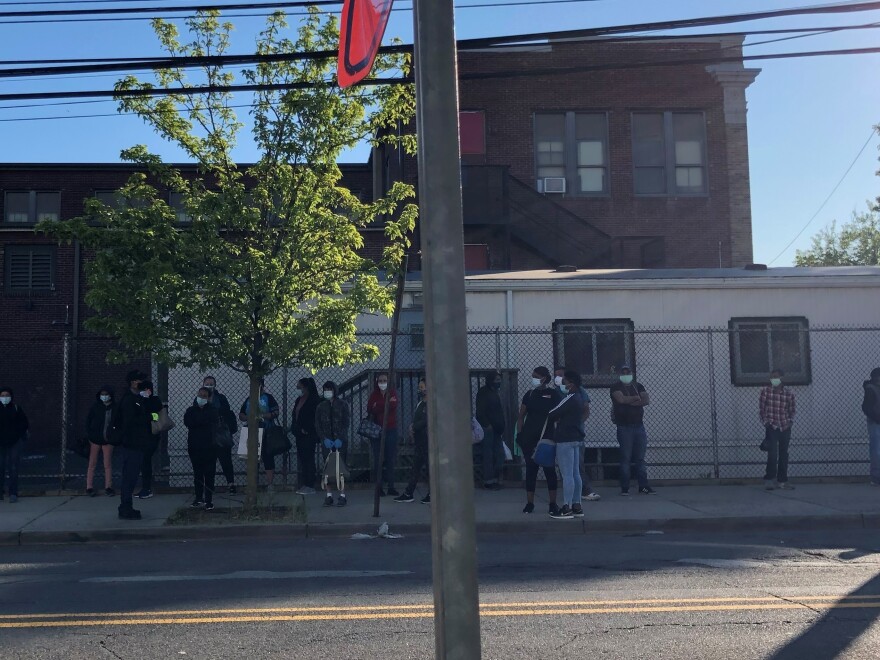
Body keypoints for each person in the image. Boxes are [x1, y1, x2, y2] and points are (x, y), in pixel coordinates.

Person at [516, 366, 561, 515]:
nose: (534, 378)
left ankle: (553, 503)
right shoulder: (529, 395)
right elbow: (521, 415)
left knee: (549, 470)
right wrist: (520, 434)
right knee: (531, 470)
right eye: (533, 376)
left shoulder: (553, 394)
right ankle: (529, 503)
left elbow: (559, 415)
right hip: (529, 438)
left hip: (547, 437)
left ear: (544, 378)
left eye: (536, 376)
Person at [116, 371, 159, 520]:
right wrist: (148, 415)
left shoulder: (136, 399)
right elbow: (132, 421)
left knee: (131, 476)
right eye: (140, 381)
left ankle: (126, 506)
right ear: (133, 382)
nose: (143, 383)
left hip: (137, 443)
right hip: (132, 444)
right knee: (129, 477)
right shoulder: (129, 400)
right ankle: (126, 507)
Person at [555, 367, 600, 502]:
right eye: (556, 376)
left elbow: (586, 409)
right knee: (566, 467)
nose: (559, 379)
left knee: (577, 464)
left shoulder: (579, 392)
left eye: (561, 376)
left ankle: (583, 492)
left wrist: (577, 422)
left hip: (576, 433)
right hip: (562, 434)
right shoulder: (556, 392)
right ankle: (571, 497)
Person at [611, 365, 655, 496]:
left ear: (632, 373)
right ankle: (625, 487)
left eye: (628, 372)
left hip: (639, 426)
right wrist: (636, 399)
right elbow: (620, 399)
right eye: (623, 372)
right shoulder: (615, 387)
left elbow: (646, 400)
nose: (626, 374)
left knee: (640, 458)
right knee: (626, 458)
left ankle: (643, 486)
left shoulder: (638, 386)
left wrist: (629, 401)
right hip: (624, 427)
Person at [548, 370, 585, 519]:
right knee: (575, 473)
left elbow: (552, 412)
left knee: (567, 474)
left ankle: (567, 507)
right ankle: (577, 505)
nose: (562, 384)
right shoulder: (579, 398)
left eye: (564, 381)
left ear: (571, 384)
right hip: (576, 438)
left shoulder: (569, 397)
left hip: (565, 439)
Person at [239, 380, 281, 492]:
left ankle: (270, 484)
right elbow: (241, 414)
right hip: (251, 431)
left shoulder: (268, 397)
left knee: (268, 457)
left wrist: (266, 415)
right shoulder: (249, 399)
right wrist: (248, 417)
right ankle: (253, 484)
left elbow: (276, 411)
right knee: (252, 458)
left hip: (266, 430)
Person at [395, 378, 430, 504]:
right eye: (419, 387)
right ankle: (409, 492)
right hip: (419, 440)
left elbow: (426, 420)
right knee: (415, 467)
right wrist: (412, 427)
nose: (420, 390)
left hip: (428, 440)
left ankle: (433, 494)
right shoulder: (420, 404)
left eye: (422, 387)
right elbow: (417, 419)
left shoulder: (431, 404)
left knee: (430, 467)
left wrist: (414, 426)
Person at [199, 376, 237, 494]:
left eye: (211, 383)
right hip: (206, 435)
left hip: (220, 434)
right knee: (209, 462)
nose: (209, 385)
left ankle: (231, 484)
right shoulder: (200, 398)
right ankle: (209, 486)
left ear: (215, 385)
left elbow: (226, 411)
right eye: (207, 383)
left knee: (225, 460)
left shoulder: (221, 398)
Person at [759, 369, 796, 490]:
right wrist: (766, 423)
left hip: (785, 426)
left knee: (784, 454)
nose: (773, 379)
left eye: (776, 377)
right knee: (772, 454)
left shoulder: (789, 393)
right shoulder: (765, 392)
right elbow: (762, 409)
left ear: (782, 378)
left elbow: (792, 410)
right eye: (772, 377)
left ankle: (782, 481)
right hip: (772, 426)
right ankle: (769, 479)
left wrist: (790, 422)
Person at [315, 381, 350, 507]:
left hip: (341, 442)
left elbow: (346, 423)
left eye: (329, 389)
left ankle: (342, 495)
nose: (327, 392)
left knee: (341, 468)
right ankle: (328, 495)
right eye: (325, 389)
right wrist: (324, 438)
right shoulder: (320, 406)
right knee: (327, 469)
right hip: (327, 442)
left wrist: (340, 438)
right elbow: (317, 425)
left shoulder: (343, 404)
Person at [184, 387, 220, 511]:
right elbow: (188, 422)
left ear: (209, 398)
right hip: (194, 446)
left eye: (204, 396)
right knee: (197, 473)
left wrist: (199, 421)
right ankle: (198, 497)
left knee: (209, 474)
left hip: (210, 447)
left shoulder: (213, 410)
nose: (201, 398)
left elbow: (211, 421)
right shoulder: (191, 410)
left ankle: (208, 500)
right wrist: (201, 421)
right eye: (200, 395)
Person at [367, 373, 399, 496]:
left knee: (390, 458)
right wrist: (385, 404)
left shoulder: (392, 393)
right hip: (377, 430)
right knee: (378, 460)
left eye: (384, 380)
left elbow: (393, 405)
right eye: (380, 380)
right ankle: (379, 487)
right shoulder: (374, 394)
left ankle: (391, 486)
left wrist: (379, 405)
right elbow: (370, 408)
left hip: (391, 429)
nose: (382, 382)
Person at [476, 371, 506, 490]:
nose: (498, 382)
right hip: (489, 428)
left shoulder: (495, 392)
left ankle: (496, 478)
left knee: (499, 454)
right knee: (488, 454)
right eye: (496, 380)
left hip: (497, 428)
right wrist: (487, 424)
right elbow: (480, 410)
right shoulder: (484, 392)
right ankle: (489, 481)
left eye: (499, 380)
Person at [84, 385, 116, 496]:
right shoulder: (96, 407)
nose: (104, 396)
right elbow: (88, 420)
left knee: (107, 464)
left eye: (106, 394)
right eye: (102, 394)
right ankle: (89, 487)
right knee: (92, 463)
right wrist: (90, 434)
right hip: (95, 439)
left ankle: (108, 486)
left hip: (108, 439)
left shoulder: (114, 407)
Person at [135, 381, 164, 500]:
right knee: (143, 462)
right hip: (141, 436)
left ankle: (147, 488)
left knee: (146, 460)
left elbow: (156, 415)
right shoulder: (138, 400)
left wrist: (147, 414)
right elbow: (137, 415)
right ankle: (145, 487)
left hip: (152, 435)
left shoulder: (155, 400)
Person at [292, 377, 321, 495]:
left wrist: (308, 429)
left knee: (309, 458)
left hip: (309, 434)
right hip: (299, 433)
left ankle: (311, 484)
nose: (298, 389)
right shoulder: (298, 400)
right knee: (303, 458)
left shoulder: (313, 400)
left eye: (300, 387)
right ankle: (305, 483)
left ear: (306, 387)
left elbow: (314, 417)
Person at [0, 386, 29, 504]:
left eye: (7, 395)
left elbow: (24, 423)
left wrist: (18, 434)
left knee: (13, 468)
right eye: (2, 395)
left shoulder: (16, 409)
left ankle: (13, 493)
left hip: (14, 442)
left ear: (11, 397)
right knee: (0, 467)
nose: (4, 398)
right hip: (0, 442)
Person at [862, 367, 880, 487]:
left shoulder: (872, 388)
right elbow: (866, 407)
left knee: (876, 450)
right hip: (875, 422)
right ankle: (876, 477)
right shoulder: (871, 389)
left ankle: (876, 476)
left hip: (875, 421)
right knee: (876, 451)